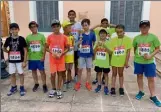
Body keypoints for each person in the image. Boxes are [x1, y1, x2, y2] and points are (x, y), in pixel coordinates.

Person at [133, 20, 161, 107]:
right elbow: (135, 48)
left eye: (146, 26)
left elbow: (157, 48)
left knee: (151, 78)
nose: (144, 28)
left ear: (149, 27)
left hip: (149, 62)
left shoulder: (153, 37)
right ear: (140, 28)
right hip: (138, 61)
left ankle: (153, 96)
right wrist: (139, 56)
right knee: (139, 76)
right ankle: (141, 91)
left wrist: (150, 55)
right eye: (142, 26)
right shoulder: (136, 38)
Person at [46, 19, 69, 99]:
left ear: (60, 27)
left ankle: (59, 89)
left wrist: (61, 53)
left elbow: (68, 48)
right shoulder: (49, 37)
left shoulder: (65, 37)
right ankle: (53, 88)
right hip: (53, 60)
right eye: (54, 27)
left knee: (60, 74)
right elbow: (46, 48)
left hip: (61, 59)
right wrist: (52, 53)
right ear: (52, 28)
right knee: (52, 75)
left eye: (57, 26)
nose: (55, 28)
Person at [3, 23, 27, 96]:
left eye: (15, 29)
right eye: (12, 29)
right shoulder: (8, 39)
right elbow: (4, 48)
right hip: (11, 61)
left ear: (18, 30)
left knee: (21, 74)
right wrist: (9, 52)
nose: (14, 31)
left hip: (20, 60)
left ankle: (22, 87)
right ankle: (13, 87)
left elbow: (25, 50)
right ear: (10, 30)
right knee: (12, 74)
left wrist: (24, 61)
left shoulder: (22, 39)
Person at [91, 18, 116, 85]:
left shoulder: (110, 30)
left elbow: (117, 27)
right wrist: (99, 25)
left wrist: (110, 25)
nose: (105, 24)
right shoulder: (98, 30)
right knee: (98, 65)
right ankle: (97, 79)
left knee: (105, 66)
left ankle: (104, 79)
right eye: (103, 23)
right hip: (99, 48)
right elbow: (91, 29)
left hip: (107, 48)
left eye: (106, 23)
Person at [110, 24, 132, 96]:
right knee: (114, 73)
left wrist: (126, 62)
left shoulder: (128, 39)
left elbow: (128, 52)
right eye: (117, 32)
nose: (119, 33)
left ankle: (121, 87)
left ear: (124, 31)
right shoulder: (113, 40)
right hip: (114, 59)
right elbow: (111, 51)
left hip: (122, 60)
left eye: (121, 31)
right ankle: (113, 87)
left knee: (120, 74)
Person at [26, 21, 48, 93]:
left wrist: (43, 56)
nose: (33, 28)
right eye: (31, 27)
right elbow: (27, 47)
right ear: (30, 28)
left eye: (34, 26)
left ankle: (44, 85)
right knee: (33, 71)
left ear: (37, 27)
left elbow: (45, 47)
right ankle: (36, 83)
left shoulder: (41, 36)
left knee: (42, 72)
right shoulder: (28, 37)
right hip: (32, 58)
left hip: (39, 58)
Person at [74, 19, 96, 91]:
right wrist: (79, 42)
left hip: (89, 55)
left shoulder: (92, 33)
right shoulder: (80, 34)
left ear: (89, 25)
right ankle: (78, 83)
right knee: (80, 69)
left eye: (86, 25)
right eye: (83, 25)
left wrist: (93, 54)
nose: (84, 27)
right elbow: (76, 44)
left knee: (88, 69)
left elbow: (94, 44)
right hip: (81, 54)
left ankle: (87, 82)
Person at [93, 29, 112, 95]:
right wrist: (97, 45)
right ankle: (99, 85)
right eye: (101, 33)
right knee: (98, 74)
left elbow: (110, 52)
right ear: (99, 35)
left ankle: (106, 86)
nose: (102, 34)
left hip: (105, 63)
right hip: (98, 62)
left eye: (104, 33)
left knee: (106, 74)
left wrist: (104, 45)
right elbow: (94, 51)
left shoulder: (109, 42)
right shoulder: (97, 42)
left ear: (106, 35)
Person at [68, 10, 82, 82]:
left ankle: (76, 75)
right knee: (69, 62)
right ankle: (69, 76)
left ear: (75, 16)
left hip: (76, 46)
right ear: (68, 16)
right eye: (70, 15)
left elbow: (81, 34)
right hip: (69, 47)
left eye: (73, 14)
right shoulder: (66, 24)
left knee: (76, 61)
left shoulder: (79, 24)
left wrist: (80, 41)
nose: (71, 16)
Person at [62, 20, 74, 91]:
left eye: (70, 26)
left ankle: (69, 81)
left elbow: (73, 45)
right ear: (64, 28)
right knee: (64, 70)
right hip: (64, 57)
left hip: (71, 57)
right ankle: (64, 82)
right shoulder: (62, 36)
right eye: (68, 27)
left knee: (69, 69)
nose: (70, 28)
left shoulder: (71, 37)